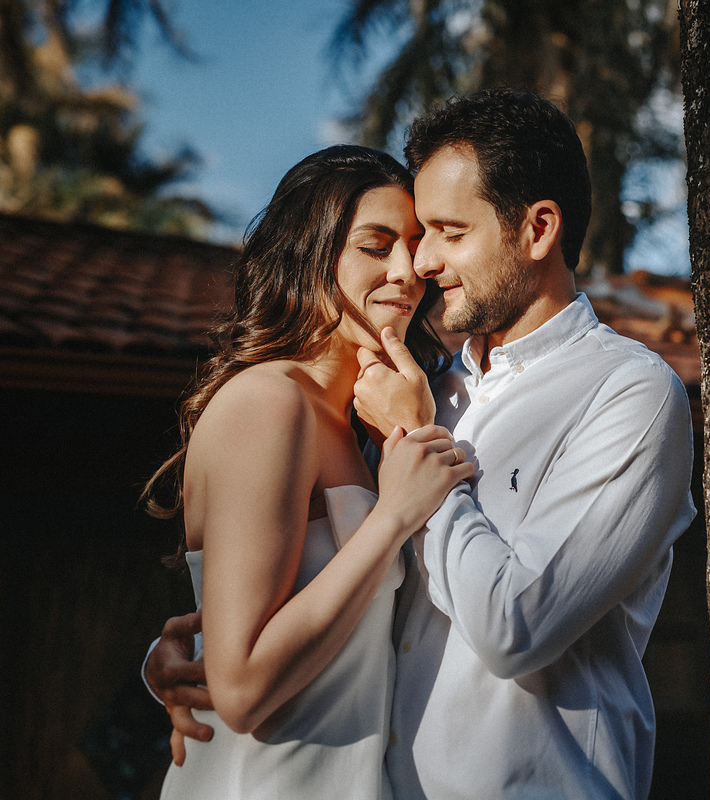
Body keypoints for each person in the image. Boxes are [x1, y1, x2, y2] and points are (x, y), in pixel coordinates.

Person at [150, 89, 696, 800]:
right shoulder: (424, 388)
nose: (421, 265)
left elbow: (516, 628)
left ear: (537, 230)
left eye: (444, 233)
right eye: (403, 240)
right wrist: (187, 658)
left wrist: (413, 446)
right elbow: (303, 593)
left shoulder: (628, 394)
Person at [143, 145, 473, 799]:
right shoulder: (270, 403)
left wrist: (161, 661)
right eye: (376, 245)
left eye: (414, 245)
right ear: (311, 255)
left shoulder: (352, 426)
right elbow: (240, 691)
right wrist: (394, 518)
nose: (408, 272)